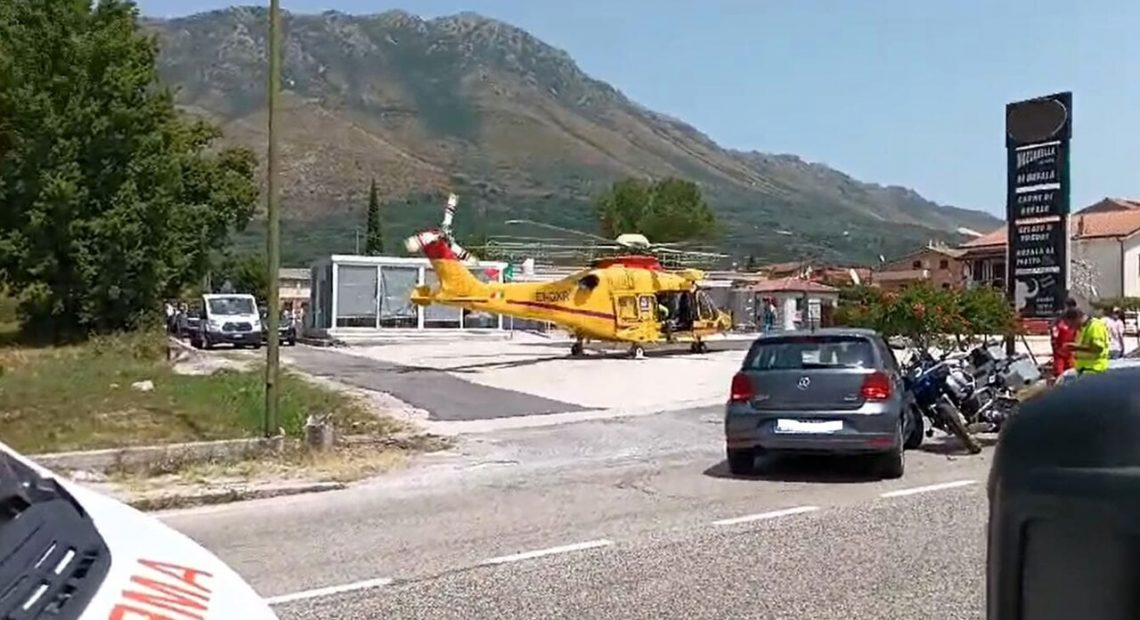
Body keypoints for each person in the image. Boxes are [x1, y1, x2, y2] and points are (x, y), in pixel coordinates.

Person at [1062, 306, 1110, 375]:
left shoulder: (1095, 326)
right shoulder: (1083, 328)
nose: (1070, 327)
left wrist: (1075, 347)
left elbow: (1098, 348)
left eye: (1071, 324)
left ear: (1076, 318)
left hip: (1095, 369)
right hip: (1085, 369)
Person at [1049, 300, 1078, 383]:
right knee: (1062, 372)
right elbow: (1054, 336)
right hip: (1063, 351)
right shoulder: (1060, 323)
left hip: (1068, 351)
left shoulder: (1065, 323)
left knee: (1068, 371)